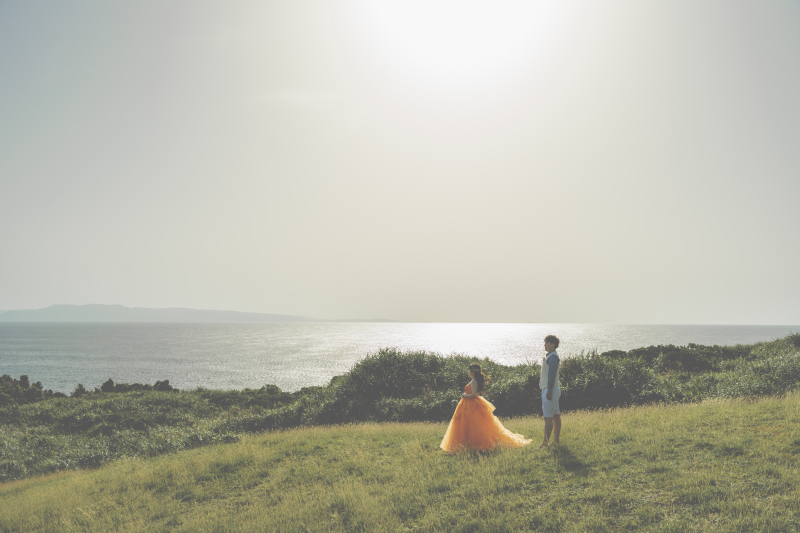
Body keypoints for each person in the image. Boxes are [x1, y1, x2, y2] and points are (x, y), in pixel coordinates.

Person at [440, 363, 532, 453]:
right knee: (468, 424)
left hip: (471, 404)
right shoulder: (473, 381)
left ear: (472, 371)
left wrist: (464, 395)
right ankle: (467, 444)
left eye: (469, 369)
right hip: (468, 405)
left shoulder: (474, 382)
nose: (468, 371)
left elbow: (473, 395)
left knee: (475, 424)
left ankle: (475, 444)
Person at [538, 335, 561, 449]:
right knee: (555, 415)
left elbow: (551, 375)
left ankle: (544, 443)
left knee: (548, 417)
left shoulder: (552, 357)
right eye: (545, 342)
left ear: (553, 344)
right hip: (551, 389)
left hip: (550, 389)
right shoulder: (551, 356)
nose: (545, 344)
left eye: (547, 342)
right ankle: (556, 441)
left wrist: (549, 391)